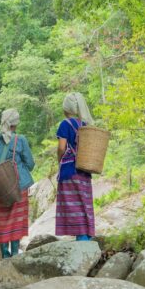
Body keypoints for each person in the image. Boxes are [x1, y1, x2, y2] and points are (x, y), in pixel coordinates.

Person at [0, 108, 35, 258]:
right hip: (18, 186)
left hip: (0, 187)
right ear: (16, 123)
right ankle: (15, 254)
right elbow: (31, 164)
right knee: (17, 219)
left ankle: (4, 254)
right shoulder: (20, 140)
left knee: (3, 219)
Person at [55, 92, 95, 241]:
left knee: (73, 206)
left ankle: (82, 241)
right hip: (84, 171)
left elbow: (61, 147)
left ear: (66, 108)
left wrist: (59, 159)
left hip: (69, 170)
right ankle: (86, 239)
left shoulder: (65, 124)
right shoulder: (85, 125)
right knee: (84, 205)